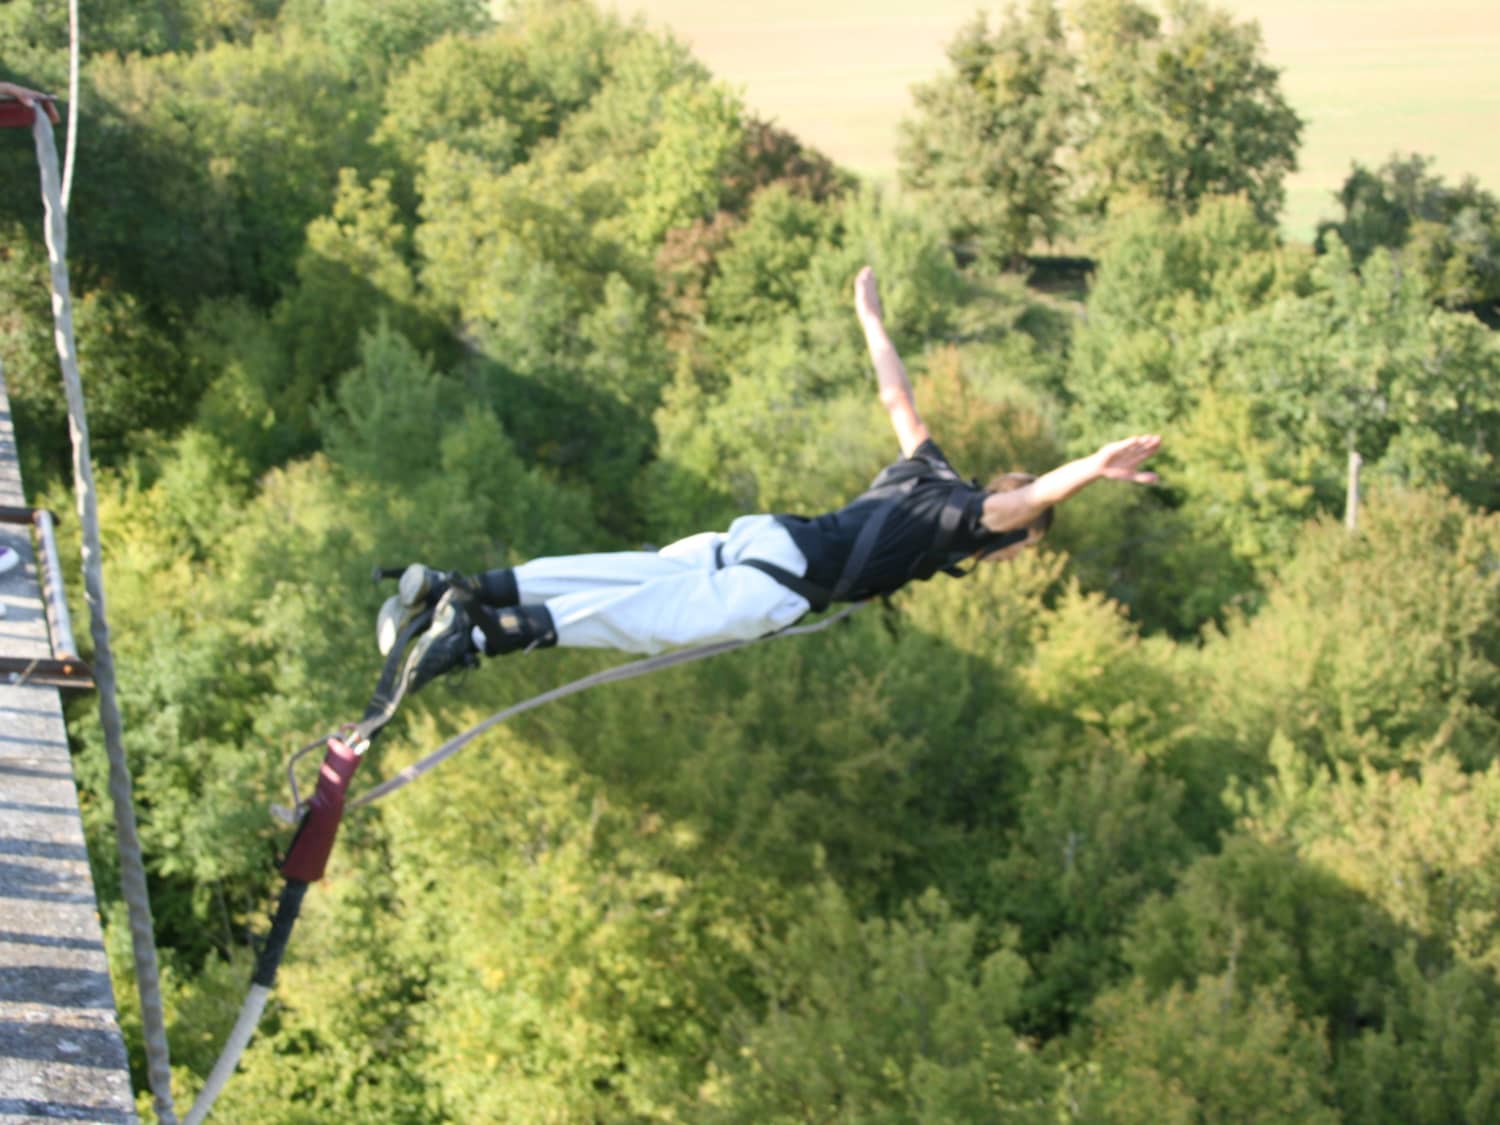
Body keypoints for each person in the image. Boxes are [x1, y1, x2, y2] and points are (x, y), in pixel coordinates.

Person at [382, 266, 1161, 693]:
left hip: (760, 535)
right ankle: (475, 635)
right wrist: (1093, 467)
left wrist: (869, 319)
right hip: (782, 581)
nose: (1012, 549)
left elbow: (898, 395)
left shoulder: (929, 464)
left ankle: (462, 586)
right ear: (1011, 539)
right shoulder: (972, 519)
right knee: (644, 619)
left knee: (626, 572)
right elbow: (1029, 502)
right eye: (1017, 545)